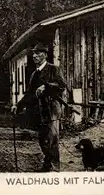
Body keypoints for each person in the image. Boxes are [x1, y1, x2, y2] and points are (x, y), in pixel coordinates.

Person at [11, 42, 67, 172]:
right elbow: (29, 94)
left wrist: (46, 86)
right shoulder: (34, 74)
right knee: (43, 141)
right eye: (33, 53)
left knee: (52, 140)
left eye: (38, 53)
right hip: (39, 112)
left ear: (45, 55)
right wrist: (17, 106)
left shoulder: (53, 69)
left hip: (52, 110)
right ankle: (48, 165)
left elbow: (62, 85)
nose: (34, 56)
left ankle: (53, 169)